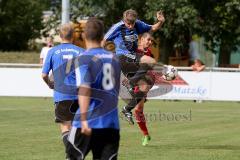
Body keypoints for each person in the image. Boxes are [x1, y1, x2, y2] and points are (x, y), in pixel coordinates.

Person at [67, 18, 121, 160]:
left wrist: (84, 119)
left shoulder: (83, 58)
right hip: (110, 123)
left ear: (84, 35)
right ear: (103, 37)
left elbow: (85, 89)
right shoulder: (114, 59)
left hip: (87, 121)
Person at [102, 9, 165, 125]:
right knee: (150, 61)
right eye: (128, 23)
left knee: (145, 86)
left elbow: (153, 28)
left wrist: (160, 21)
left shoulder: (138, 24)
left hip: (133, 59)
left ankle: (127, 109)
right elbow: (103, 41)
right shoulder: (117, 27)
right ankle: (131, 82)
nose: (130, 26)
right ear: (123, 20)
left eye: (132, 23)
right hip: (122, 57)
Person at [41, 23, 85, 159]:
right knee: (75, 129)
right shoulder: (80, 51)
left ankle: (72, 155)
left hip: (61, 95)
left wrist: (50, 84)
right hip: (77, 96)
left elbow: (43, 74)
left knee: (65, 128)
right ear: (73, 36)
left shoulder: (52, 51)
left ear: (60, 36)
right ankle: (71, 155)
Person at [134, 32, 154, 146]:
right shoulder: (133, 50)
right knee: (138, 111)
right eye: (148, 40)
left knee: (137, 109)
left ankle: (146, 135)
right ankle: (146, 135)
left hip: (142, 82)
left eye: (151, 41)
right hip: (132, 82)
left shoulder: (149, 53)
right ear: (141, 40)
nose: (150, 42)